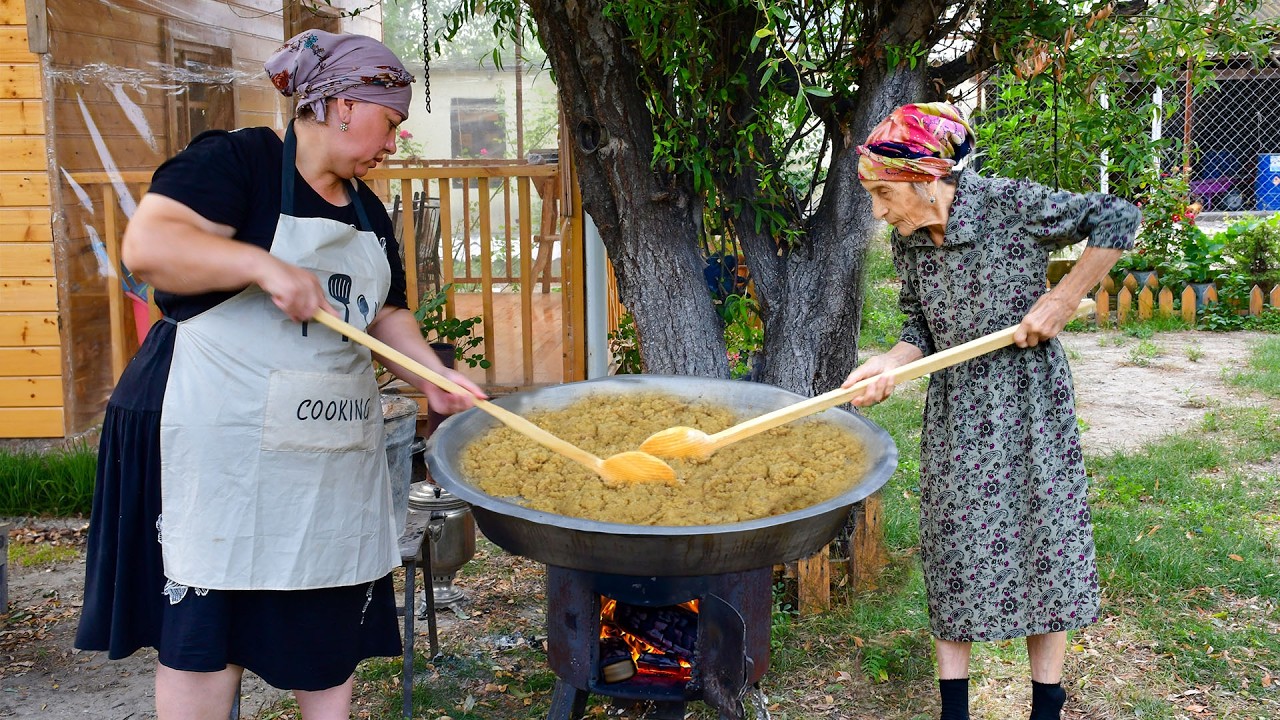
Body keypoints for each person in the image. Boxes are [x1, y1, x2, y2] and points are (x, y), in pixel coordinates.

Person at [74, 30, 485, 720]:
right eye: (391, 121)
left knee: (328, 619)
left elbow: (382, 312)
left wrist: (428, 375)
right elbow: (150, 245)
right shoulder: (242, 163)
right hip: (221, 439)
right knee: (210, 631)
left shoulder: (367, 211)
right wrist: (262, 266)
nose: (394, 141)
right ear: (343, 105)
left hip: (325, 454)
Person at [843, 103, 1139, 720]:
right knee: (954, 546)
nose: (877, 210)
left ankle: (1046, 707)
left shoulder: (1007, 203)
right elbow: (916, 329)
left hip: (1029, 399)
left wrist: (1062, 297)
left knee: (1044, 540)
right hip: (958, 405)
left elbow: (1118, 214)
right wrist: (886, 364)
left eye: (881, 192)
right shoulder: (912, 241)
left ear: (926, 178)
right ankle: (955, 710)